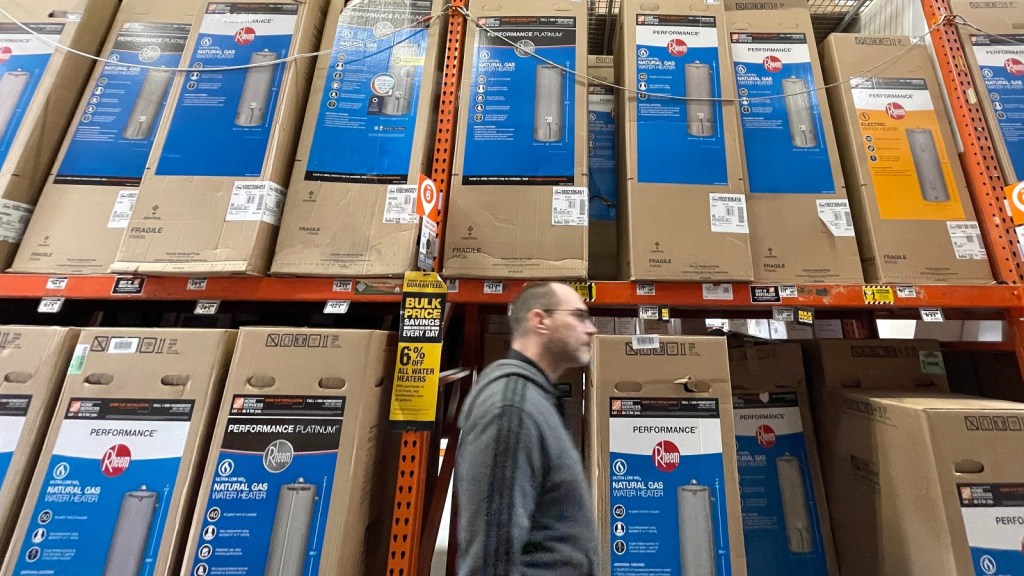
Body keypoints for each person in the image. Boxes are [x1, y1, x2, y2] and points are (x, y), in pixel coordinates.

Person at [455, 282, 599, 575]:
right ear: (540, 321)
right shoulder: (511, 410)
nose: (591, 328)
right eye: (579, 316)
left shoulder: (534, 398)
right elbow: (491, 560)